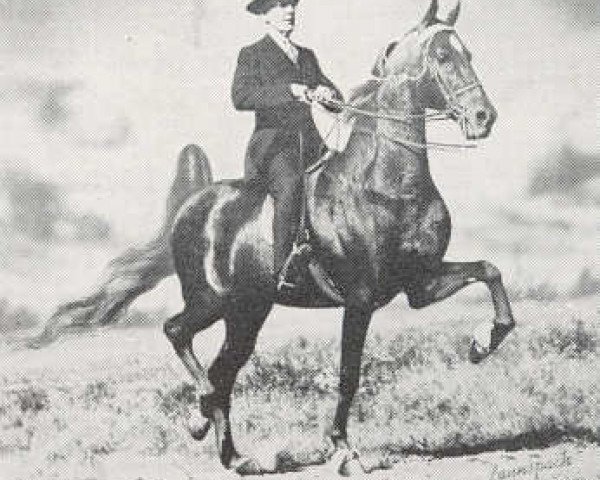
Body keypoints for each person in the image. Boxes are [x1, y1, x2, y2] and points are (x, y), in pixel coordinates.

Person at [232, 0, 342, 290]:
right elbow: (240, 97)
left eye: (292, 4)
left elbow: (337, 97)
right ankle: (283, 269)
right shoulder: (252, 54)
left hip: (311, 144)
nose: (289, 10)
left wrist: (327, 93)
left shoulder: (307, 56)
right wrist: (289, 91)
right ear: (265, 15)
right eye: (281, 5)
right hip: (273, 147)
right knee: (292, 183)